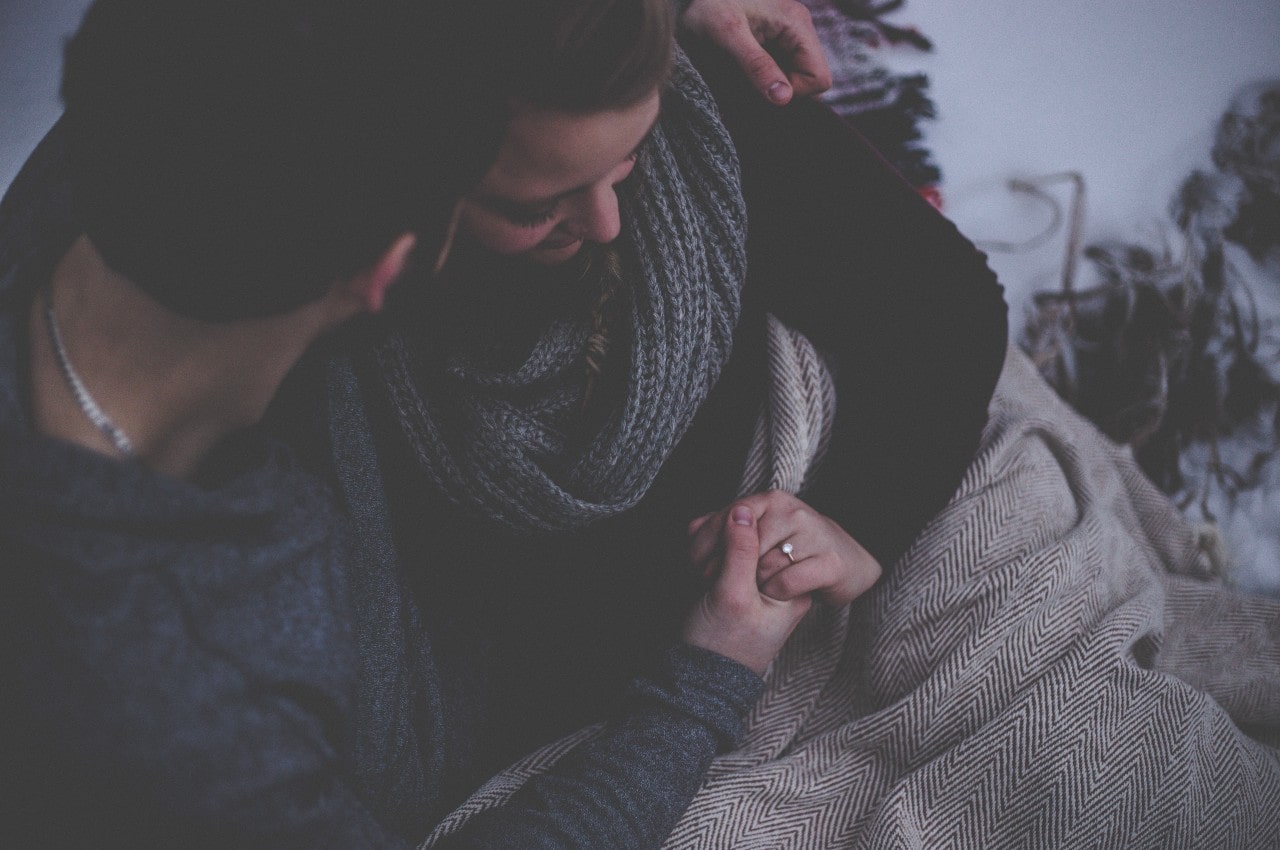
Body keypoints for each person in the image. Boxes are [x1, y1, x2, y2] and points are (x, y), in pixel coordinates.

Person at [320, 1, 1280, 848]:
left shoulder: (695, 108)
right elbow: (457, 663)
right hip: (663, 685)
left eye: (627, 161)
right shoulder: (349, 353)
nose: (609, 222)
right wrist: (707, 664)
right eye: (535, 205)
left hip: (853, 484)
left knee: (1093, 753)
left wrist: (854, 522)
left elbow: (942, 304)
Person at [0, 0, 839, 847]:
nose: (602, 224)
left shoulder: (142, 122)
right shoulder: (205, 712)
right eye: (524, 205)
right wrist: (704, 687)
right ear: (390, 270)